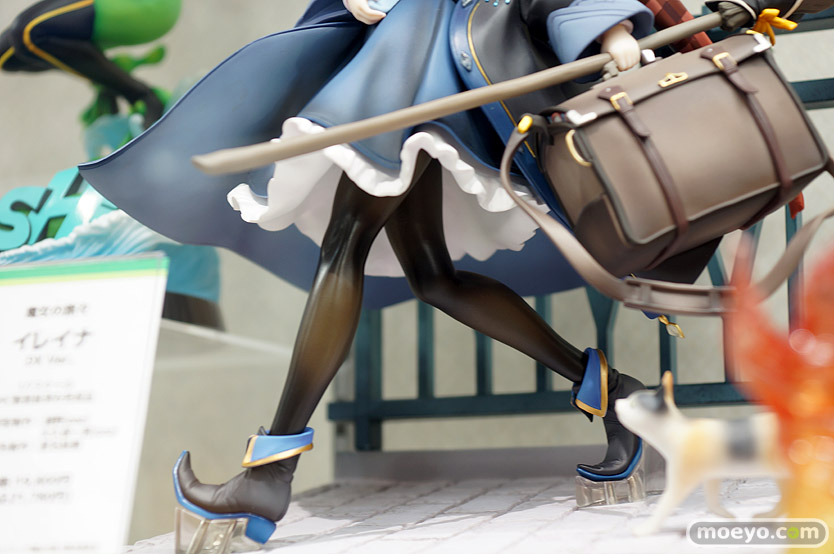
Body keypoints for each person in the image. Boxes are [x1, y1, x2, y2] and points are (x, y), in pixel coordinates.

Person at [77, 0, 799, 542]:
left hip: (423, 65)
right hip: (398, 56)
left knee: (347, 246)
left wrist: (608, 29)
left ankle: (268, 476)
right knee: (430, 274)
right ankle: (621, 400)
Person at [0, 0, 181, 127]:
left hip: (149, 6)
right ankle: (108, 74)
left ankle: (144, 96)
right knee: (7, 56)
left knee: (29, 32)